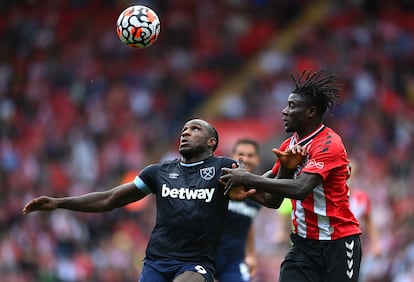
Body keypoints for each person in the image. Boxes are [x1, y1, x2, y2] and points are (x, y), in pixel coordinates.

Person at [22, 118, 257, 282]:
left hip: (195, 263)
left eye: (195, 129)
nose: (185, 132)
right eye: (184, 129)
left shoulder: (224, 167)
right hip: (156, 262)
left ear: (211, 142)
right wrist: (59, 202)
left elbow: (265, 194)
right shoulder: (157, 172)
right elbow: (110, 199)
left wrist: (260, 177)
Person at [220, 70, 363, 282]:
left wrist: (247, 179)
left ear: (311, 112)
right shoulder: (290, 145)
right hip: (303, 246)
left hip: (338, 244)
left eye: (292, 106)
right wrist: (239, 187)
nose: (284, 111)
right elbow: (273, 199)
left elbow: (300, 189)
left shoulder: (328, 144)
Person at [215, 138, 262, 282]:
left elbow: (248, 223)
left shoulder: (257, 193)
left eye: (250, 155)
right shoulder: (217, 184)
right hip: (204, 257)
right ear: (232, 157)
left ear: (257, 160)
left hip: (233, 262)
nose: (246, 159)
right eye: (241, 154)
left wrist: (251, 255)